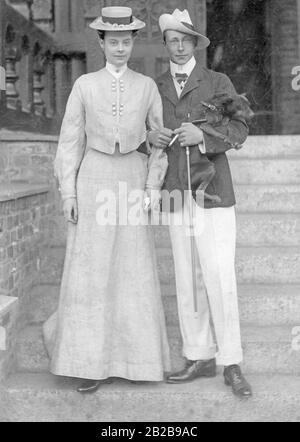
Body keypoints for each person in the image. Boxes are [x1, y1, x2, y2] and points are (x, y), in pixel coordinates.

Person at [43, 6, 171, 394]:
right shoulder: (84, 85)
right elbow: (70, 141)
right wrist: (68, 192)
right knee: (92, 270)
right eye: (112, 42)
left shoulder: (146, 86)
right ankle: (87, 363)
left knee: (132, 268)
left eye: (126, 41)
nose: (120, 48)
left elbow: (158, 142)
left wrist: (152, 188)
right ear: (101, 43)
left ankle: (132, 361)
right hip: (93, 177)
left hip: (132, 176)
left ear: (133, 43)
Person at [152, 8, 252, 398]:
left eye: (184, 40)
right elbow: (149, 132)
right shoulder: (156, 86)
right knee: (188, 278)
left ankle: (231, 360)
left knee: (219, 275)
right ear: (166, 46)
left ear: (195, 43)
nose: (178, 47)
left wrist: (203, 135)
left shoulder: (217, 81)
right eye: (172, 41)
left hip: (213, 194)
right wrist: (152, 139)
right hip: (176, 191)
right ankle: (198, 354)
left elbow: (241, 127)